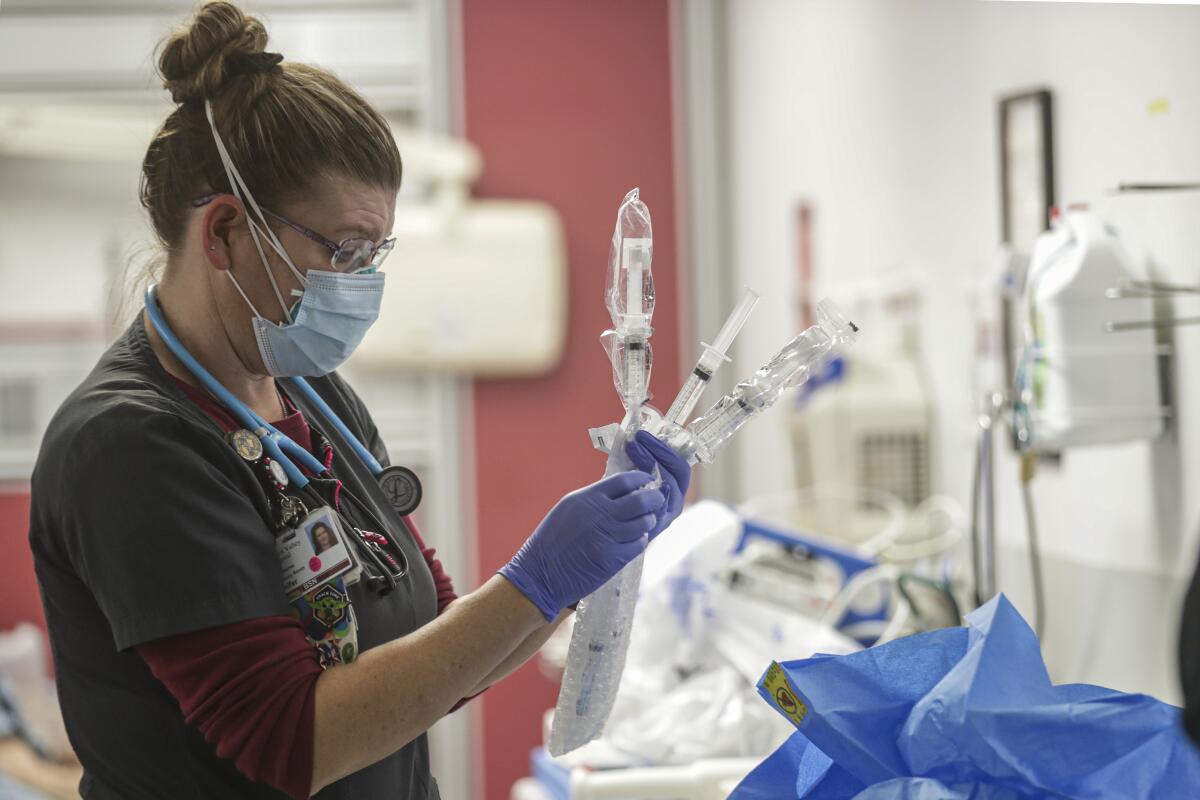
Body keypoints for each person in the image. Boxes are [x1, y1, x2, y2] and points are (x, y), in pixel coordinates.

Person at [26, 3, 691, 799]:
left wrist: (579, 568)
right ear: (225, 232)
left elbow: (441, 649)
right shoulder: (130, 447)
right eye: (344, 249)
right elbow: (290, 743)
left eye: (376, 254)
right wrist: (537, 580)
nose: (363, 284)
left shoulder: (311, 395)